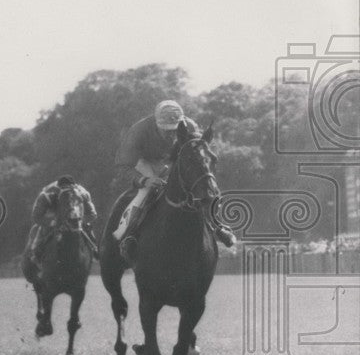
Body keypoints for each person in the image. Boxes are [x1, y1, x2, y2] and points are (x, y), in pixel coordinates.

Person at [112, 99, 235, 262]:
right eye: (166, 130)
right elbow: (122, 167)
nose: (171, 134)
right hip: (145, 164)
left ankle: (217, 226)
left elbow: (197, 154)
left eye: (175, 130)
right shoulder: (138, 131)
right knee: (147, 192)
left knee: (198, 188)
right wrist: (144, 180)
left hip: (173, 163)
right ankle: (129, 236)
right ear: (156, 123)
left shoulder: (190, 126)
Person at [26, 175, 98, 264]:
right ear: (58, 188)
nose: (68, 193)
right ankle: (36, 252)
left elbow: (92, 214)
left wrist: (80, 221)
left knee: (87, 226)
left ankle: (95, 249)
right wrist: (53, 222)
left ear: (75, 187)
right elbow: (36, 216)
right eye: (64, 189)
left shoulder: (82, 193)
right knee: (42, 228)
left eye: (70, 190)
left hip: (76, 215)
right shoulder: (47, 195)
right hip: (54, 213)